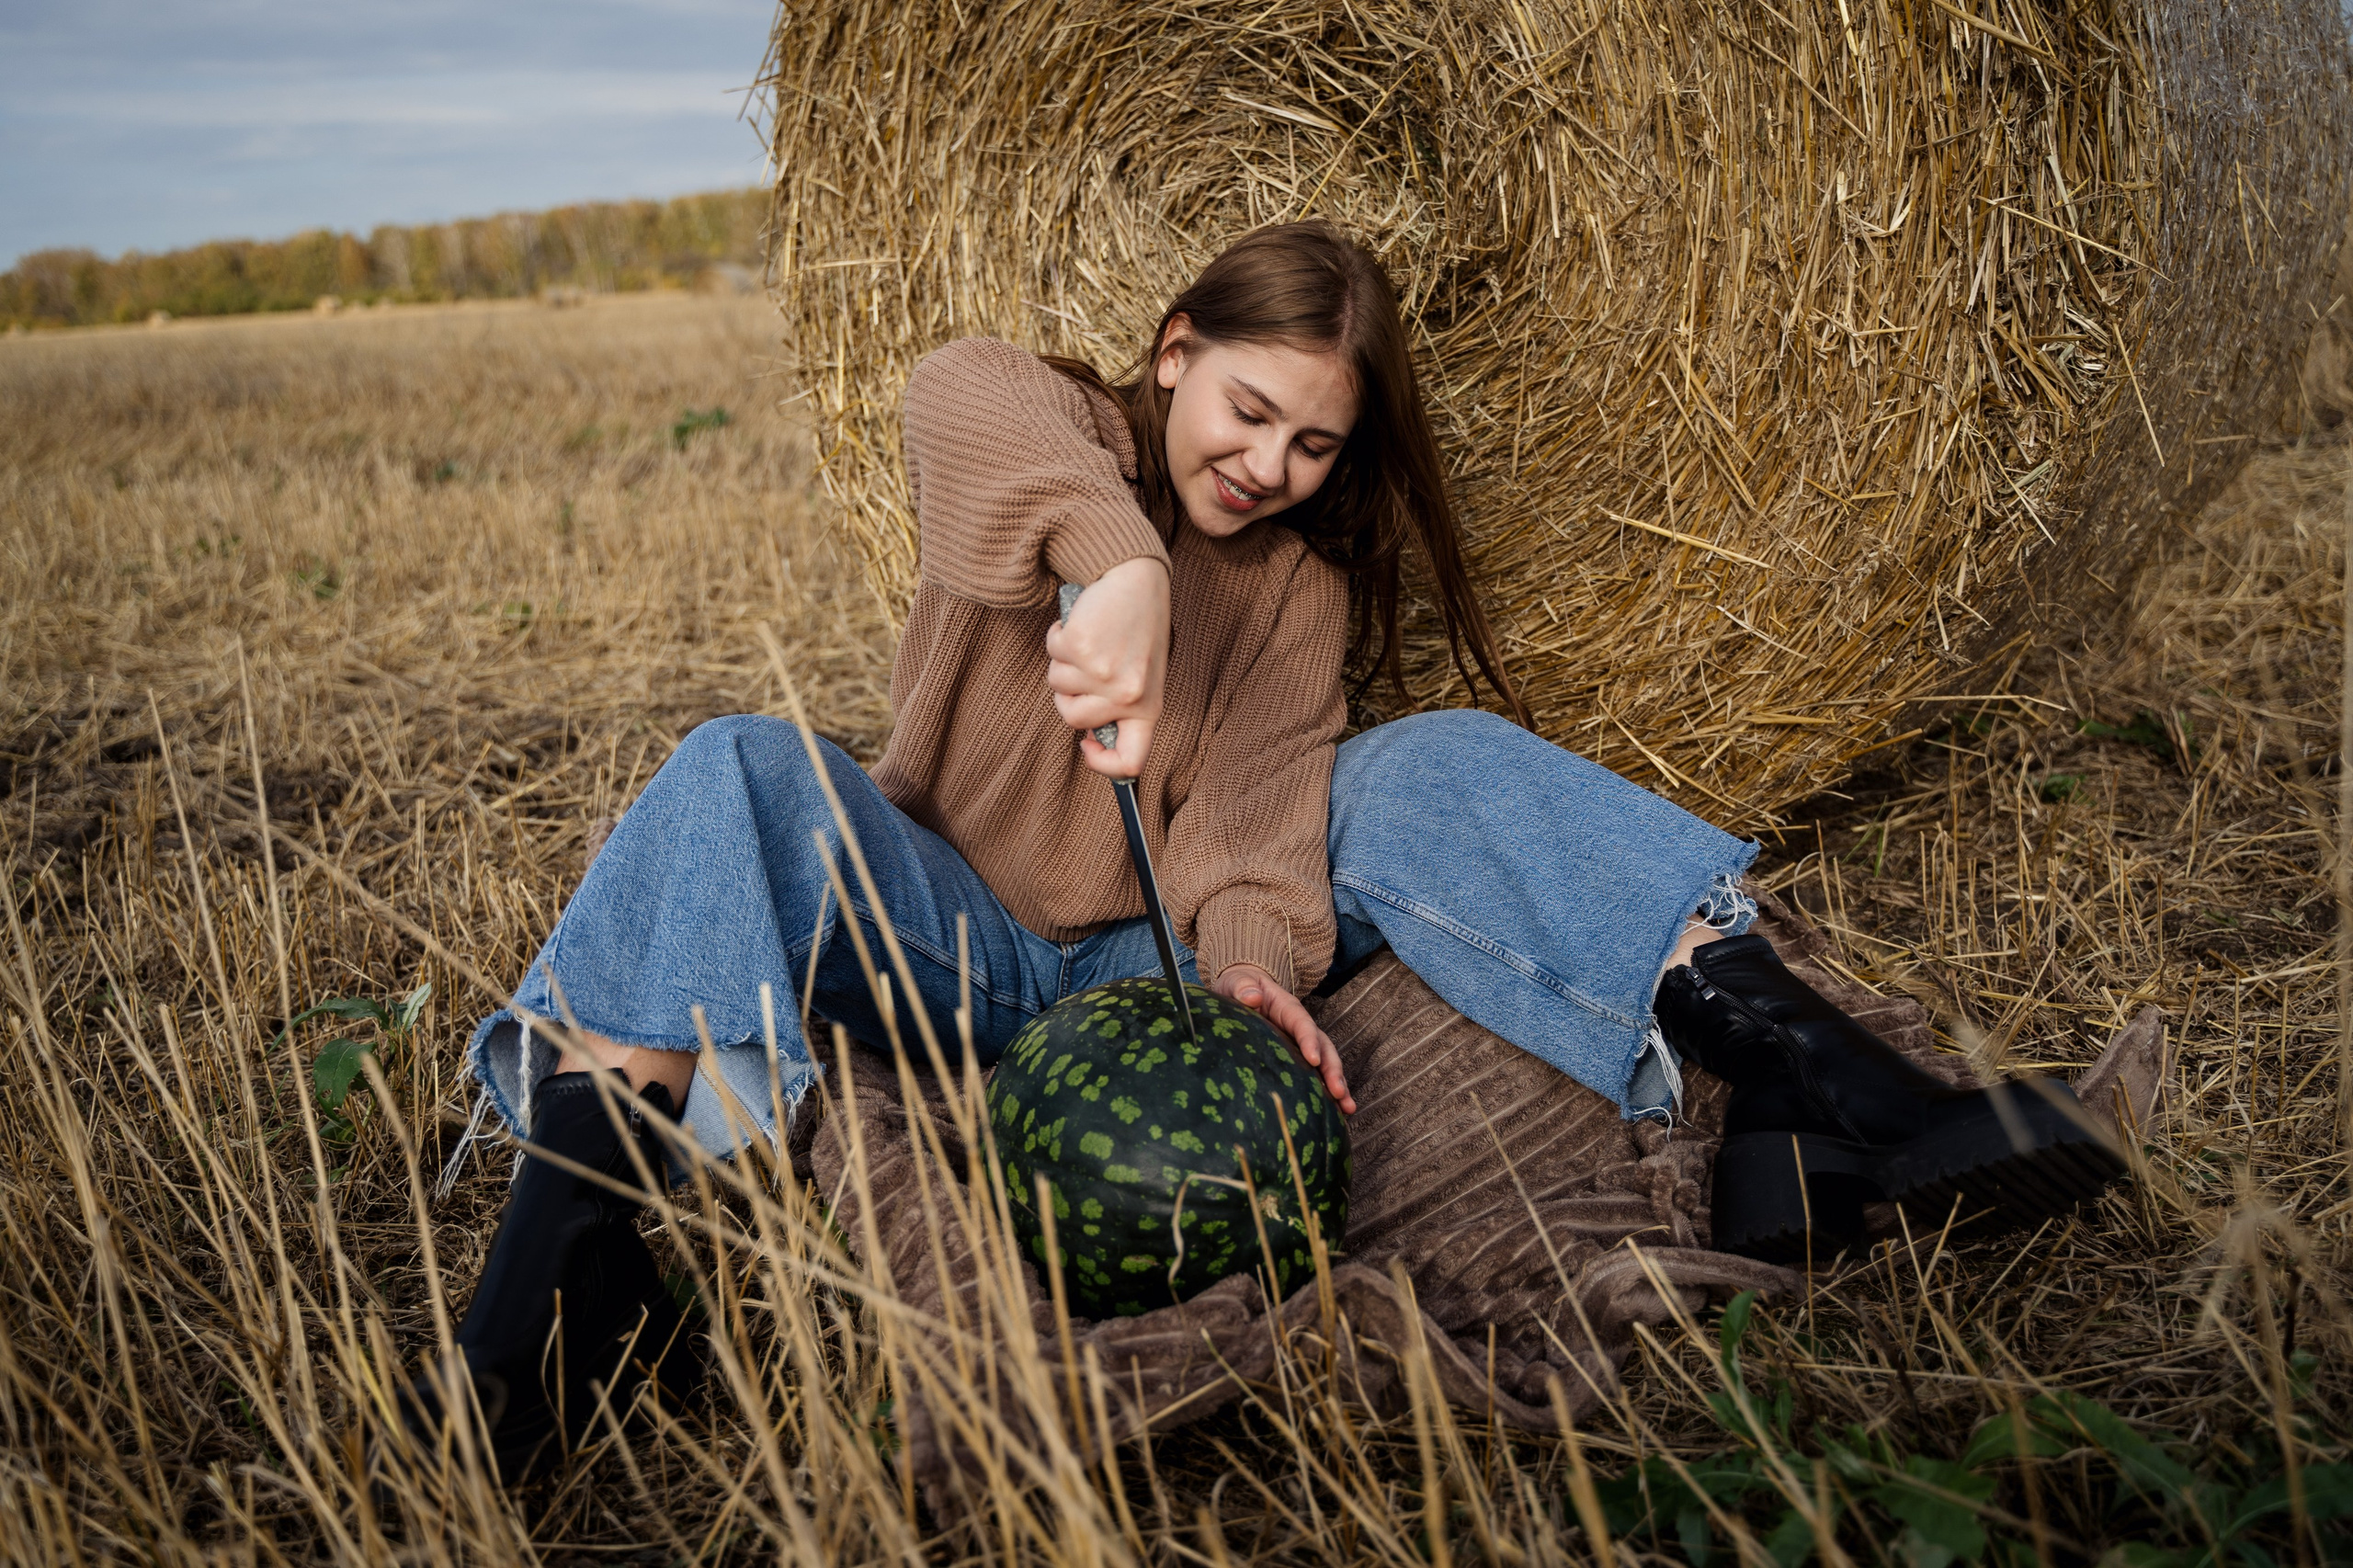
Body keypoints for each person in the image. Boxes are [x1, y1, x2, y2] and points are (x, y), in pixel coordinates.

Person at [424, 222, 2118, 1476]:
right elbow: (964, 417)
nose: (1269, 465)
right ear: (1172, 353)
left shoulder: (1300, 592)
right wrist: (1123, 566)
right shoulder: (1042, 432)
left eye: (1315, 444)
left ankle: (1820, 1070)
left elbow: (1253, 821)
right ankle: (556, 1305)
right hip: (944, 932)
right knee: (736, 765)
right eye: (1246, 411)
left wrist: (1244, 971)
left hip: (1143, 984)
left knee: (1425, 765)